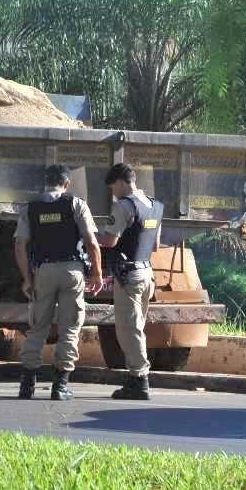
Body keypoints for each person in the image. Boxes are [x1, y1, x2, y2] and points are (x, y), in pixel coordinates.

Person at [14, 164, 103, 400]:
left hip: (43, 271)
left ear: (46, 183)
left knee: (38, 327)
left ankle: (27, 385)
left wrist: (27, 279)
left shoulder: (30, 209)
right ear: (67, 184)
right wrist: (97, 273)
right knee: (70, 328)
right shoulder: (75, 204)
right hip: (72, 271)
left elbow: (20, 246)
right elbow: (92, 243)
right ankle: (60, 386)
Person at [96, 163, 163, 400]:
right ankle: (137, 376)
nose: (113, 192)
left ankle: (139, 380)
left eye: (113, 187)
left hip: (129, 276)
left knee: (128, 329)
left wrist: (90, 237)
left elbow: (110, 241)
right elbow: (155, 245)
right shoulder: (156, 206)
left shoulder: (124, 206)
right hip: (147, 273)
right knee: (137, 327)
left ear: (123, 182)